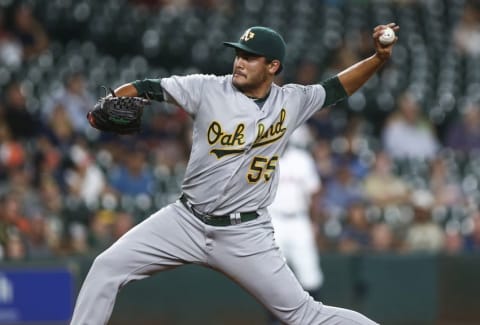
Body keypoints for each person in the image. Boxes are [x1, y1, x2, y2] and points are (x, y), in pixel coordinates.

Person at [70, 24, 399, 325]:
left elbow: (338, 87)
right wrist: (113, 99)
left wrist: (377, 58)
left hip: (246, 233)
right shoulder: (206, 89)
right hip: (185, 220)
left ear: (273, 67)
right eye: (239, 54)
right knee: (106, 267)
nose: (239, 62)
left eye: (251, 57)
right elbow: (147, 87)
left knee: (303, 314)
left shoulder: (292, 102)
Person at [268, 125, 324, 301]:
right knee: (273, 275)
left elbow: (314, 192)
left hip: (299, 220)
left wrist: (314, 223)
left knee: (310, 274)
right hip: (273, 221)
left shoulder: (302, 159)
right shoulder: (262, 159)